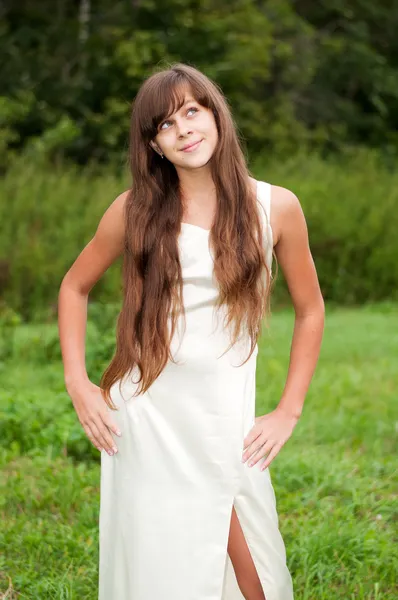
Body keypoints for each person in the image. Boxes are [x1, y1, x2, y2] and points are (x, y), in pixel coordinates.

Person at [58, 62, 325, 600]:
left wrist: (288, 409)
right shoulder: (134, 210)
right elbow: (73, 287)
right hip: (149, 414)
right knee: (163, 564)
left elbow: (311, 309)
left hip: (223, 414)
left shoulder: (275, 207)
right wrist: (79, 384)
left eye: (192, 111)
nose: (183, 130)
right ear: (154, 145)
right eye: (164, 124)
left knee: (255, 572)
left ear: (216, 116)